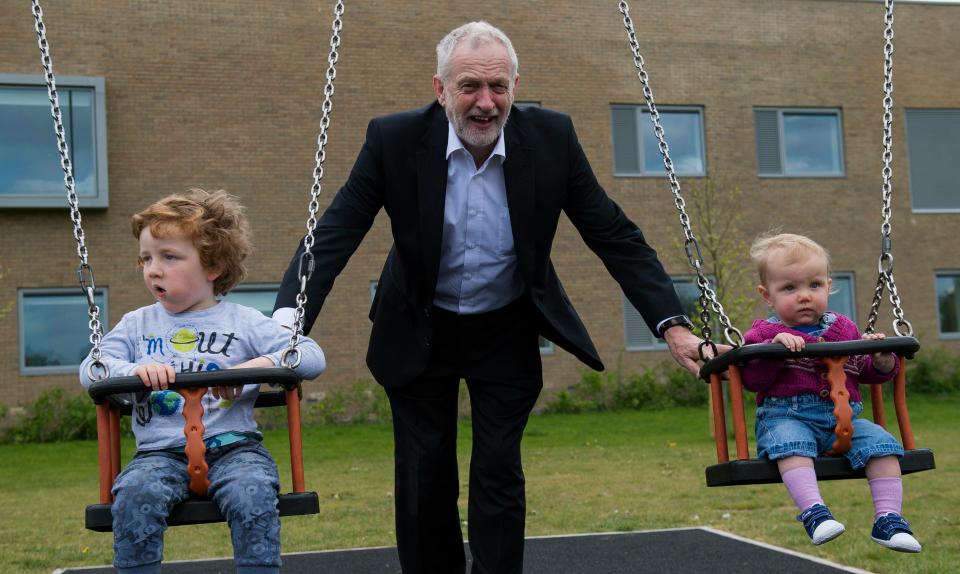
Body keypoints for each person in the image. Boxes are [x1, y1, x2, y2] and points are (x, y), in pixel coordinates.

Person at [274, 21, 707, 574]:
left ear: (516, 86)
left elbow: (612, 233)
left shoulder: (551, 139)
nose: (485, 103)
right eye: (470, 87)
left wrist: (673, 324)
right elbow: (335, 233)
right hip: (419, 327)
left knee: (499, 466)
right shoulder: (395, 139)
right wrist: (287, 324)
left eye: (498, 87)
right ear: (440, 89)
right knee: (424, 470)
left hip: (505, 326)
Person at [80, 188, 326, 574]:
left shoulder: (243, 322)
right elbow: (92, 369)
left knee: (254, 494)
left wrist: (253, 366)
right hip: (159, 454)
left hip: (235, 449)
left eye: (169, 257)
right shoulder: (137, 325)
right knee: (133, 495)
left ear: (212, 266)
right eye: (146, 258)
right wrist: (134, 372)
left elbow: (311, 356)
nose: (153, 269)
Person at [742, 233, 921, 553]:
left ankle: (889, 520)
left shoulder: (845, 328)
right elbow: (753, 379)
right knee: (790, 445)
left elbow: (865, 371)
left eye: (814, 285)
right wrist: (775, 350)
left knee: (883, 445)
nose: (804, 296)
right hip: (787, 416)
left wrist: (881, 359)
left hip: (846, 420)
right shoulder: (764, 333)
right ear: (767, 296)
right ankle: (814, 512)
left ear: (828, 284)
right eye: (789, 288)